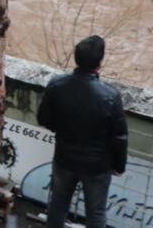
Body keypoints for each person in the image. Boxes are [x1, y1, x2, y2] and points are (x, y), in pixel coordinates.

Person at [37, 35, 128, 228]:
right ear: (99, 62)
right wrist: (119, 165)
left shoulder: (56, 85)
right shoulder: (111, 97)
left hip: (64, 159)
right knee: (95, 214)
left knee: (58, 205)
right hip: (97, 167)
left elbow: (43, 118)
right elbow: (119, 137)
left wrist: (61, 131)